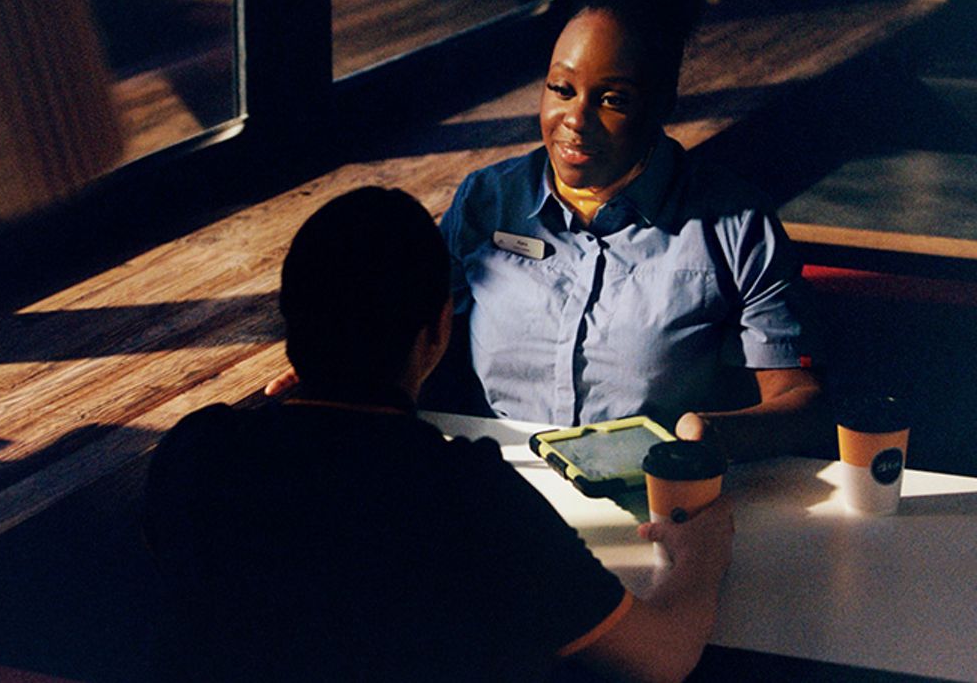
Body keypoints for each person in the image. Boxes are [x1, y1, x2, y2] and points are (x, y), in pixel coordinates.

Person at [268, 0, 823, 461]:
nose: (575, 121)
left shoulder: (735, 226)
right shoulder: (487, 201)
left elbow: (800, 401)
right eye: (561, 89)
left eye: (612, 99)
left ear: (662, 102)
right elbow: (419, 333)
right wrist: (345, 377)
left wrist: (711, 437)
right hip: (497, 485)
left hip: (656, 492)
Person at [146, 187, 733, 681]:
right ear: (437, 332)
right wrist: (702, 555)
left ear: (289, 320)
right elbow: (661, 658)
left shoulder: (198, 451)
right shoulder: (470, 497)